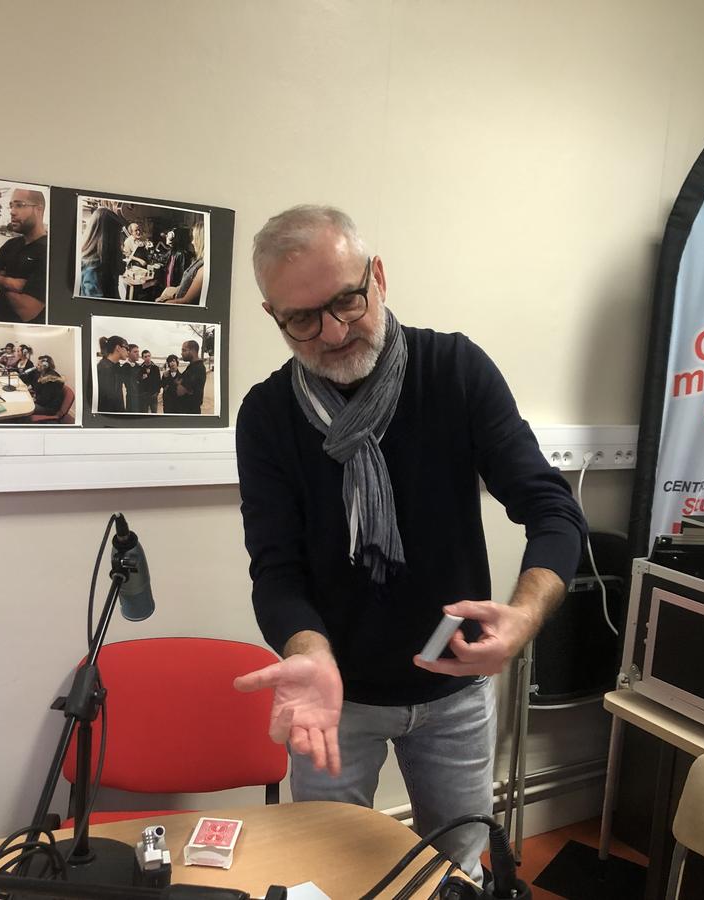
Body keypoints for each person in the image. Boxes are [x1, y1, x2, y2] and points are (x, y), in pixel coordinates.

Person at [231, 205, 585, 883]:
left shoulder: (453, 369)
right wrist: (307, 652)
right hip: (334, 699)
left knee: (458, 871)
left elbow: (552, 510)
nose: (332, 332)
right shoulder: (268, 415)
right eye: (302, 319)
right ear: (273, 315)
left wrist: (524, 615)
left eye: (345, 300)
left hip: (453, 691)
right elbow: (277, 570)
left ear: (379, 276)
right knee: (327, 877)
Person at [0, 189, 48, 323]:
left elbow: (27, 310)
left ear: (39, 209)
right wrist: (10, 282)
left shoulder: (48, 252)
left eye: (19, 205)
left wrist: (0, 278)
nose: (12, 211)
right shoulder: (11, 244)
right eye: (11, 206)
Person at [78, 206, 126, 300]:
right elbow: (98, 307)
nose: (120, 240)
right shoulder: (93, 268)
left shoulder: (106, 260)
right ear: (109, 237)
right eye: (118, 235)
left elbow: (120, 270)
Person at [159, 221, 205, 305]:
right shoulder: (173, 252)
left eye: (195, 238)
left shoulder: (182, 255)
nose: (192, 242)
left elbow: (187, 300)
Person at [96, 334, 128, 413]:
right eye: (126, 348)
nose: (128, 351)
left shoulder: (115, 367)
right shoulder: (104, 369)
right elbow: (107, 403)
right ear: (118, 348)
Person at [174, 339, 206, 414]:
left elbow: (180, 391)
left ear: (192, 351)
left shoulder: (197, 368)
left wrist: (179, 384)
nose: (181, 353)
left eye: (184, 350)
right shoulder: (192, 367)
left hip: (190, 411)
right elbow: (178, 382)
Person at [124, 343, 142, 412]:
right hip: (131, 399)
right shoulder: (124, 368)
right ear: (128, 353)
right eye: (135, 352)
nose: (138, 354)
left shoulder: (139, 367)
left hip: (140, 399)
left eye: (138, 352)